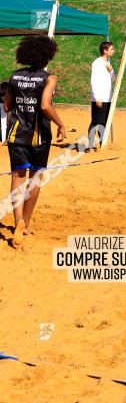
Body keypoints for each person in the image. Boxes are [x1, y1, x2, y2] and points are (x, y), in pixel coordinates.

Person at [4, 36, 66, 247]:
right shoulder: (49, 78)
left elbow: (7, 107)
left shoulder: (14, 77)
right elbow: (45, 106)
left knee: (17, 180)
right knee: (36, 179)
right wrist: (61, 124)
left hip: (16, 135)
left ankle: (17, 220)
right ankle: (26, 223)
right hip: (39, 137)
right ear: (47, 55)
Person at [89, 41, 116, 150]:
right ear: (105, 50)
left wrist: (111, 71)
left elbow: (113, 79)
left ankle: (101, 144)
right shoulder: (97, 63)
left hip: (107, 98)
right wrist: (97, 98)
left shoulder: (108, 63)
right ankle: (90, 145)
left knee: (104, 123)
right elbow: (93, 81)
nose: (113, 51)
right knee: (95, 122)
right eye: (111, 49)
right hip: (99, 98)